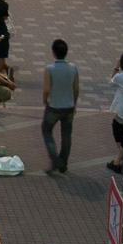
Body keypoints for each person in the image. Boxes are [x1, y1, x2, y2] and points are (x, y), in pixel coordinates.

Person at [41, 39, 80, 175]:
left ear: (53, 53)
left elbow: (46, 90)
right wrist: (74, 103)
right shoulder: (73, 68)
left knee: (46, 131)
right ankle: (63, 163)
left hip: (54, 107)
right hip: (69, 107)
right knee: (66, 135)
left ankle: (55, 160)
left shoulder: (49, 69)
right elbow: (76, 89)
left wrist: (45, 101)